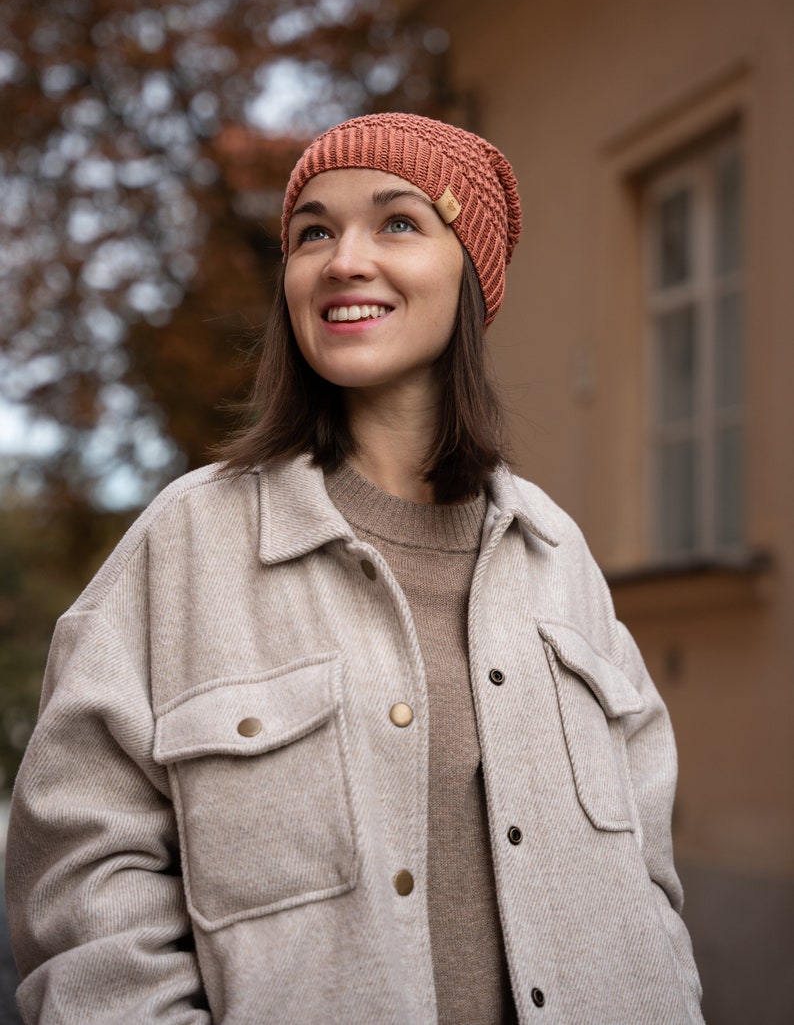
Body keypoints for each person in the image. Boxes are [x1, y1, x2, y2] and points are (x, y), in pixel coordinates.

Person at [5, 113, 704, 1023]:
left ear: (471, 279)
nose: (343, 260)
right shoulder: (187, 542)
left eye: (398, 222)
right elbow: (77, 866)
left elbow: (648, 877)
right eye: (313, 233)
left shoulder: (559, 557)